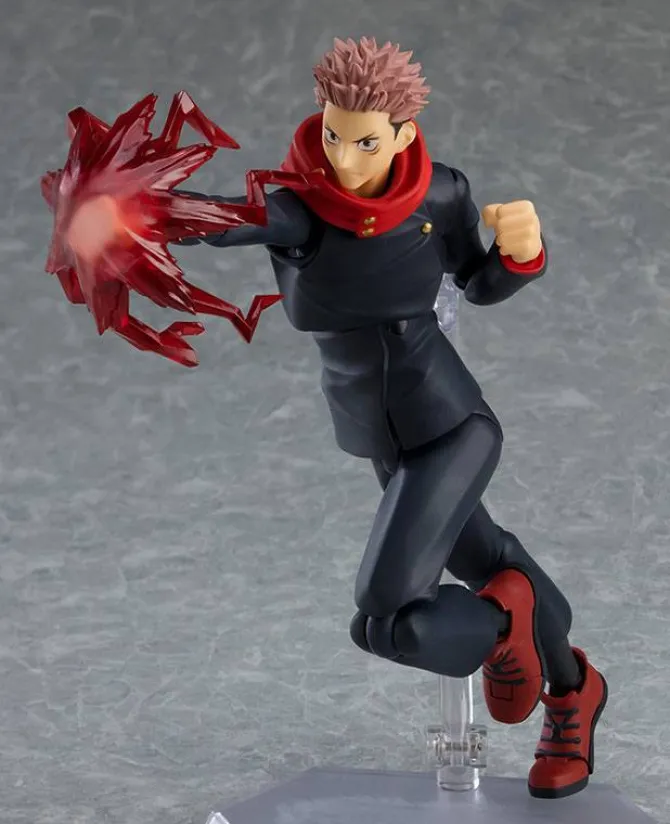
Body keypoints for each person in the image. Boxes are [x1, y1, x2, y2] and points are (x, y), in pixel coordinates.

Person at [53, 36, 607, 800]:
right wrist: (127, 210)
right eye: (333, 134)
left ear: (404, 136)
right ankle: (573, 686)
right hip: (385, 439)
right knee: (481, 564)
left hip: (450, 424)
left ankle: (503, 627)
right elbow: (222, 218)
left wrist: (522, 256)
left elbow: (475, 283)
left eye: (366, 142)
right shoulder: (300, 211)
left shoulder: (440, 195)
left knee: (390, 615)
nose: (343, 158)